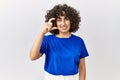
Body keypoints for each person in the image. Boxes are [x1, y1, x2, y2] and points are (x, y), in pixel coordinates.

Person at [30, 4, 89, 80]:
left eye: (66, 19)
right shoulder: (47, 40)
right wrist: (42, 33)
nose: (63, 23)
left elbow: (82, 67)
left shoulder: (79, 41)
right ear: (55, 22)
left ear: (72, 21)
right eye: (59, 20)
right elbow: (32, 57)